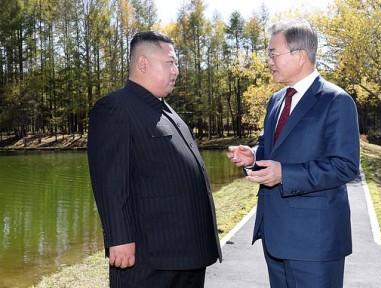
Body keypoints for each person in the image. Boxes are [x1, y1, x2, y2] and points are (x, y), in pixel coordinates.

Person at [227, 20, 360, 288]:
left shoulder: (336, 101)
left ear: (299, 56)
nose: (269, 61)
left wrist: (285, 174)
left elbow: (345, 166)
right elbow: (270, 149)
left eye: (273, 53)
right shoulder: (276, 100)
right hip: (276, 238)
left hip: (315, 244)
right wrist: (253, 157)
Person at [87, 31, 221, 288]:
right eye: (170, 62)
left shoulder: (167, 110)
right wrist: (119, 237)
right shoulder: (115, 107)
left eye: (177, 63)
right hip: (150, 258)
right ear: (143, 63)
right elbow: (110, 181)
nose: (176, 70)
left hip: (187, 254)